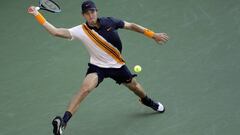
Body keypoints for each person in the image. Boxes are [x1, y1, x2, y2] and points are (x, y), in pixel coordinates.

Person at [28, 0, 169, 135]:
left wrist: (152, 34)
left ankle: (147, 101)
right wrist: (37, 14)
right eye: (87, 13)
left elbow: (131, 25)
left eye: (92, 11)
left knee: (135, 87)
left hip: (118, 66)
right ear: (83, 15)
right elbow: (56, 32)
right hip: (98, 67)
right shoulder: (80, 30)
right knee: (85, 89)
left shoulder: (110, 22)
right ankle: (63, 122)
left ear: (96, 11)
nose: (90, 15)